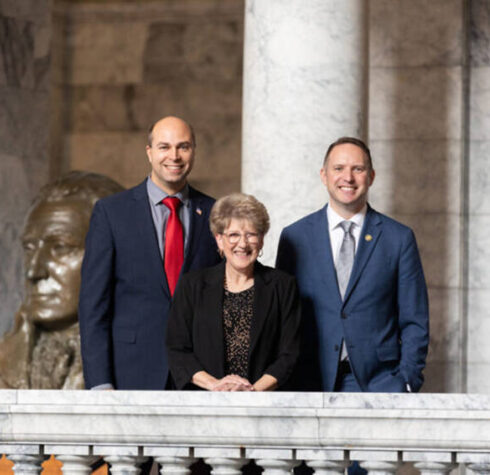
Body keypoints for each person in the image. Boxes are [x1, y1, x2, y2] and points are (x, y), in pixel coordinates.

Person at [276, 137, 429, 393]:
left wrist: (407, 379)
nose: (348, 177)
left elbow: (415, 318)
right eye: (338, 169)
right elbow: (282, 316)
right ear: (324, 175)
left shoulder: (398, 238)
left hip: (380, 382)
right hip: (308, 380)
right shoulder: (295, 237)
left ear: (371, 176)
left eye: (357, 169)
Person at [79, 116, 221, 390]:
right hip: (129, 372)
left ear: (194, 151)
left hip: (200, 376)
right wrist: (99, 382)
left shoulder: (216, 213)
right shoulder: (112, 213)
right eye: (164, 147)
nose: (174, 156)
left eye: (184, 147)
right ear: (149, 152)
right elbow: (92, 306)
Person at [0, 171, 123, 389]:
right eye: (29, 248)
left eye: (60, 247)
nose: (34, 271)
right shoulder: (8, 361)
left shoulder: (141, 358)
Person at [166, 193, 302, 391]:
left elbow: (290, 353)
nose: (243, 244)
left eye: (251, 234)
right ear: (219, 240)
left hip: (264, 402)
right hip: (204, 401)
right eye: (234, 235)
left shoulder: (283, 286)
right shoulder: (192, 285)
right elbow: (177, 349)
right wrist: (216, 386)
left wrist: (253, 391)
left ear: (262, 240)